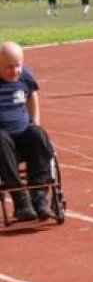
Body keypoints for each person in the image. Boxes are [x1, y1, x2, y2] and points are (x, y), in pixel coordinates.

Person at [0, 42, 55, 222]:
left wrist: (35, 122)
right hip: (3, 142)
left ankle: (39, 196)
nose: (14, 71)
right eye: (8, 67)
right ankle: (21, 200)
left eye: (17, 65)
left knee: (38, 133)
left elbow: (32, 96)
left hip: (23, 136)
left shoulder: (25, 76)